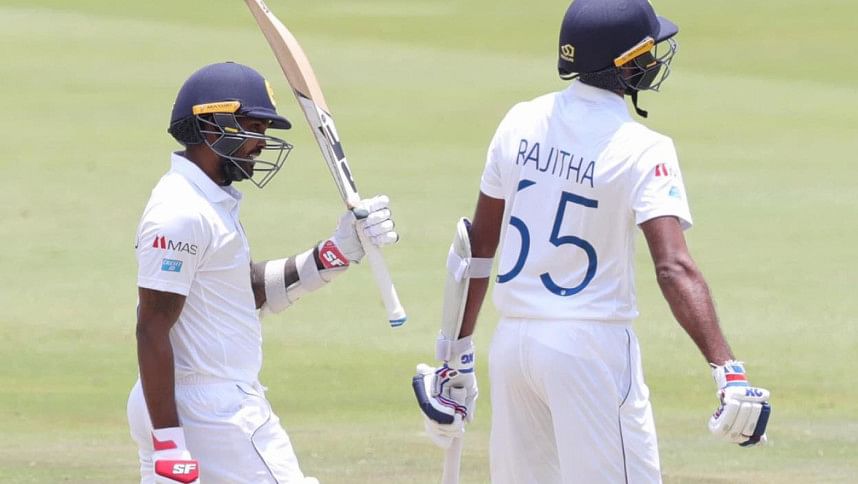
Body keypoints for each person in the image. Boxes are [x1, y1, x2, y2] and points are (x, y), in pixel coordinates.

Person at [414, 1, 771, 482]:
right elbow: (673, 267)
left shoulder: (519, 121)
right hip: (590, 349)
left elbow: (477, 248)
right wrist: (727, 370)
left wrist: (455, 354)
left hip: (513, 344)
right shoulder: (644, 148)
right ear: (627, 64)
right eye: (648, 52)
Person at [126, 62, 398, 484]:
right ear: (212, 126)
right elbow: (151, 326)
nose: (262, 143)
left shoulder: (207, 201)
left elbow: (242, 289)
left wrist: (336, 252)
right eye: (254, 128)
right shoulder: (181, 212)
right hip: (211, 411)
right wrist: (170, 442)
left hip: (190, 400)